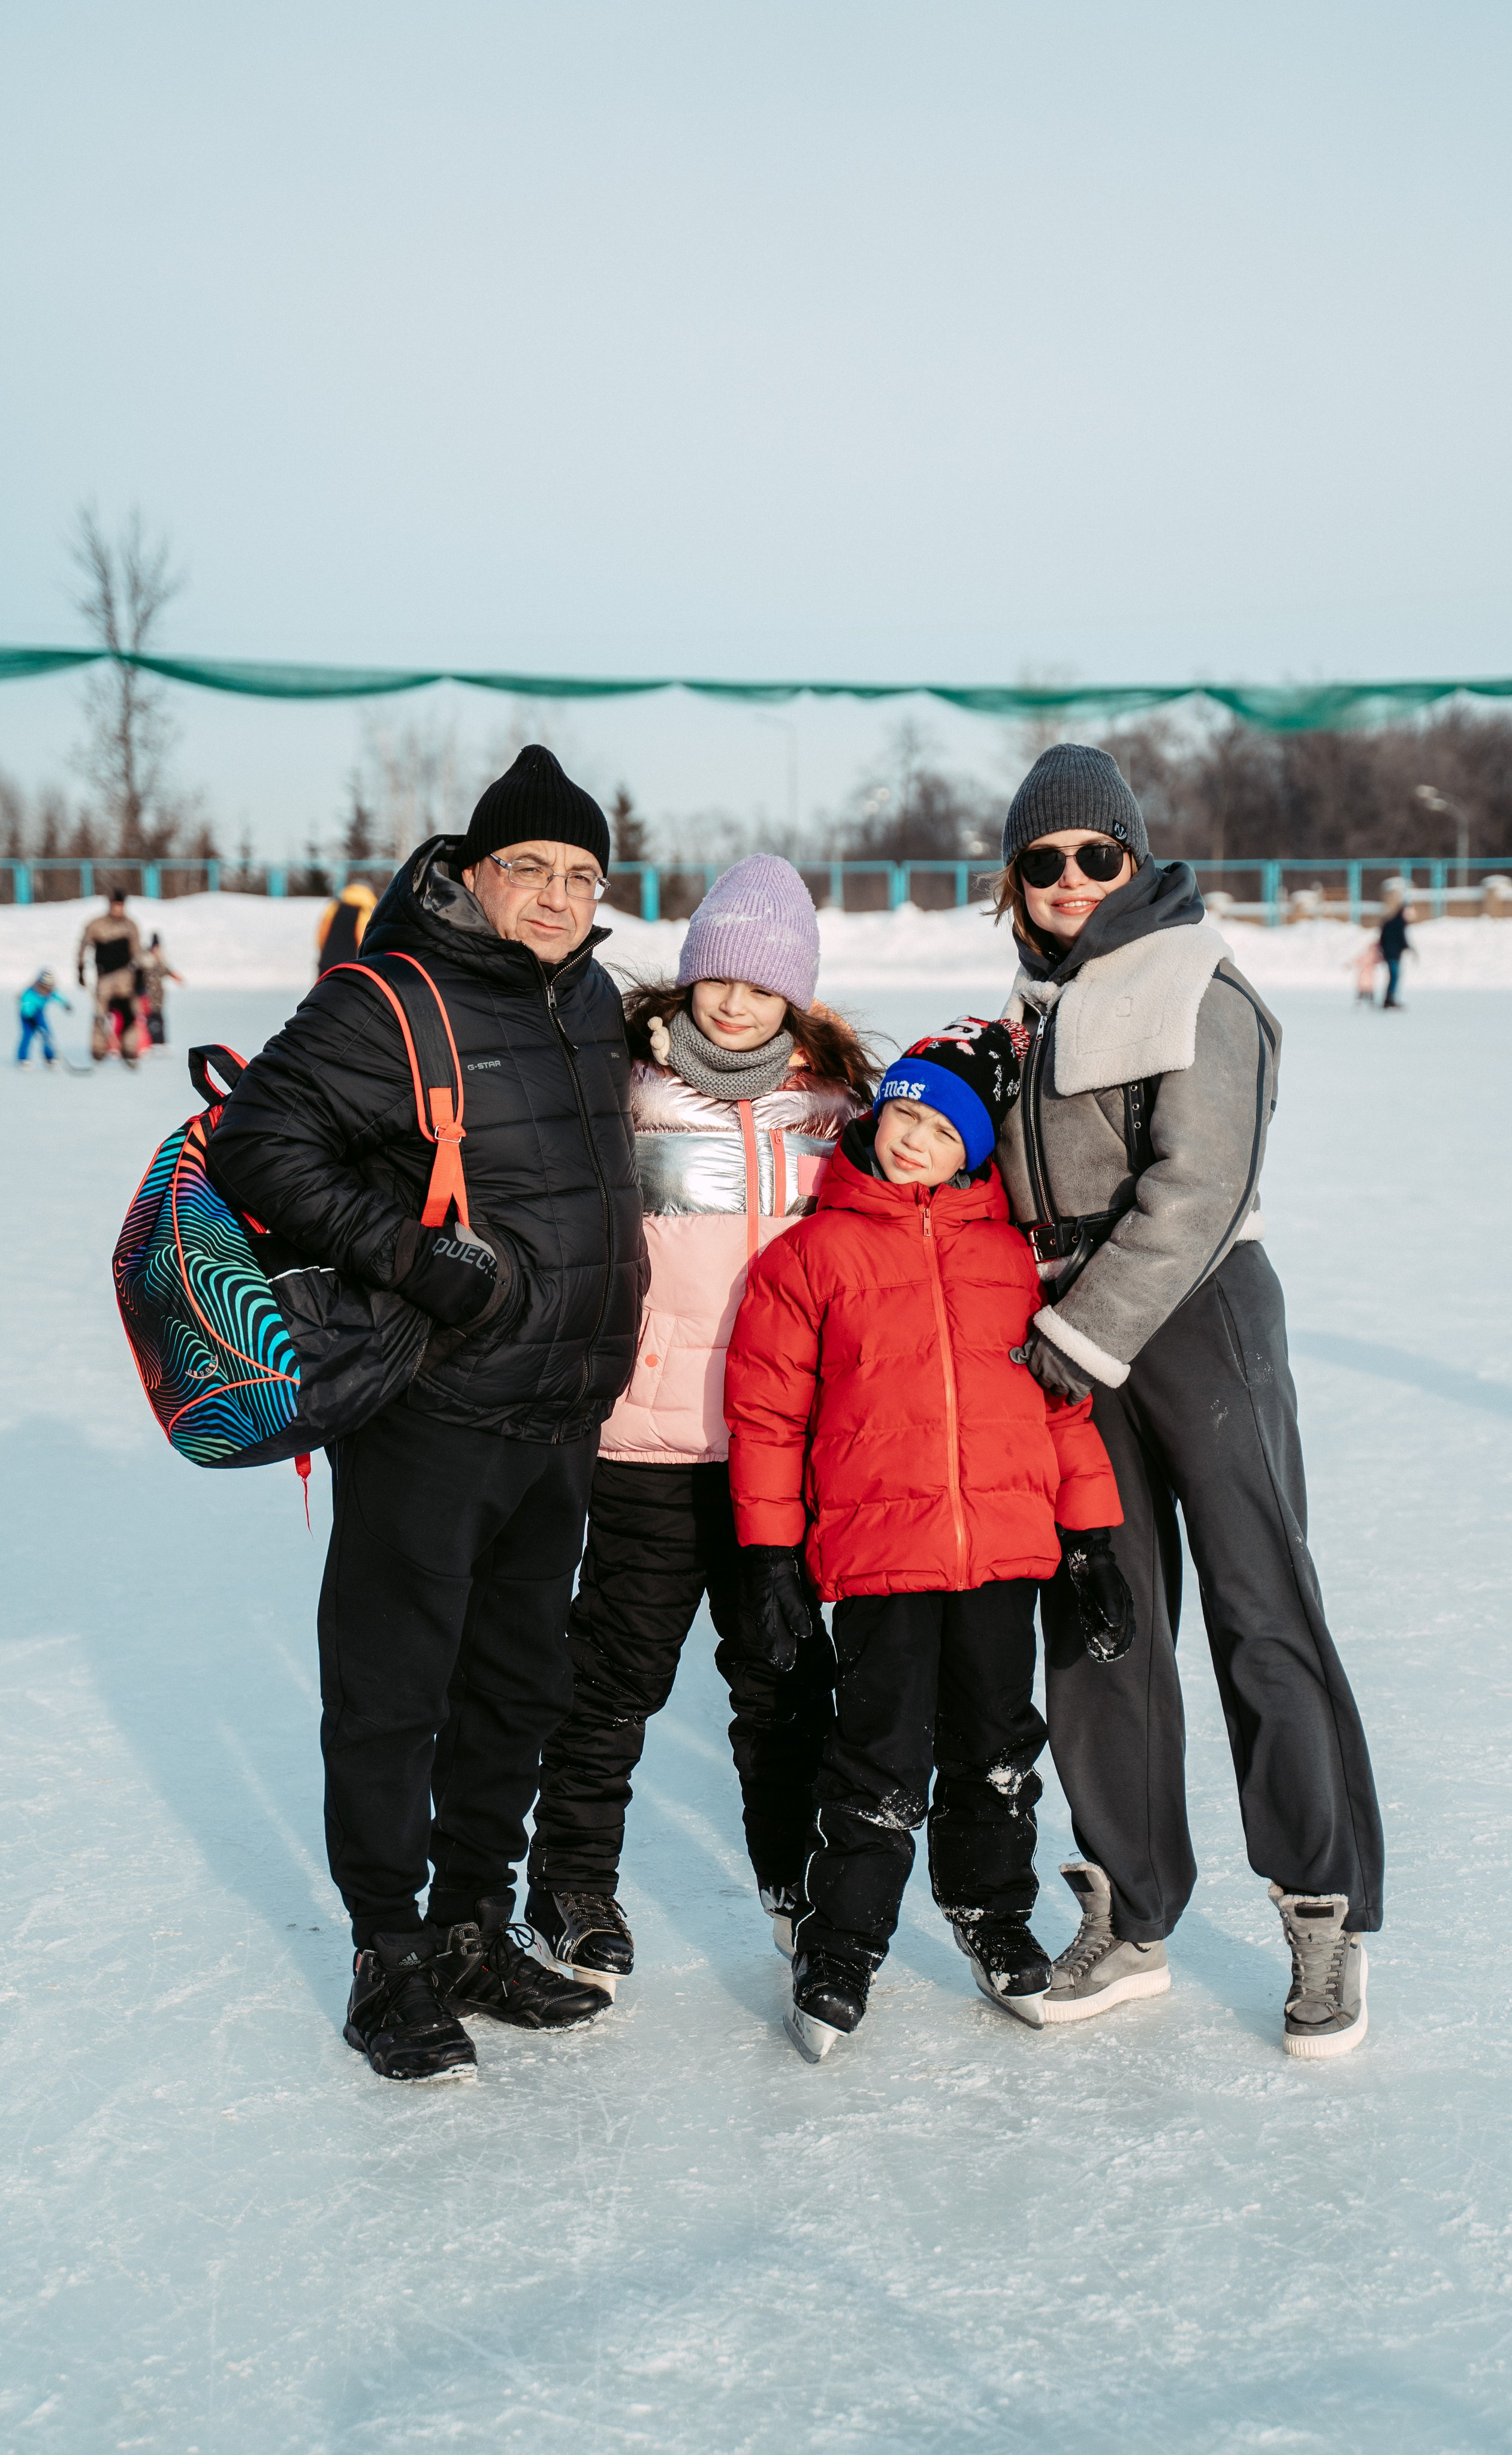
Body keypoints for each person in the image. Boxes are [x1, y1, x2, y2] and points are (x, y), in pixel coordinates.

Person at [208, 745, 646, 2083]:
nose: (562, 896)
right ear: (470, 871)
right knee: (395, 1687)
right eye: (534, 869)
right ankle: (389, 1949)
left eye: (584, 875)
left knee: (518, 1681)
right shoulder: (385, 997)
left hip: (560, 1406)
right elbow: (256, 1143)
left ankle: (469, 1922)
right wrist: (413, 1254)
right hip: (434, 1407)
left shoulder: (592, 999)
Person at [994, 743, 1383, 2059]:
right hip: (1070, 1338)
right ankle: (1131, 1907)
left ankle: (1318, 1907)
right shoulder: (1033, 997)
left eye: (1091, 854)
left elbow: (1197, 1184)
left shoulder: (1191, 976)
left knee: (1256, 1608)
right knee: (1101, 1615)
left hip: (1194, 1314)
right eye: (1040, 859)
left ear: (1132, 855)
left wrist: (1077, 1333)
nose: (1064, 879)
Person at [725, 1021, 1125, 2061]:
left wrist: (1090, 1537)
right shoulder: (809, 1254)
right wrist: (769, 1553)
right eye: (903, 1115)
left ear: (976, 1153)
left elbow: (1061, 1412)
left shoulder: (1009, 1259)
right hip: (879, 1554)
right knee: (877, 1756)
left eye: (943, 1131)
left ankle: (992, 1913)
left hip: (1002, 1547)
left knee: (995, 1746)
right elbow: (767, 1417)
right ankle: (842, 1941)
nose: (915, 1140)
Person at [526, 857, 873, 1992]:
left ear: (795, 999)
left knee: (779, 1677)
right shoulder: (625, 1088)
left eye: (759, 986)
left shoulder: (834, 1111)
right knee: (615, 1673)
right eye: (716, 976)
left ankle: (791, 1880)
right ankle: (570, 1883)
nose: (733, 1002)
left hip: (784, 1451)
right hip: (647, 1437)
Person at [77, 892, 145, 1063]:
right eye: (114, 904)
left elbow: (137, 951)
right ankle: (98, 1049)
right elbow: (83, 946)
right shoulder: (97, 925)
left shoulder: (130, 925)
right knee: (101, 1013)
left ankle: (129, 1048)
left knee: (129, 1012)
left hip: (125, 976)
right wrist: (80, 969)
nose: (117, 908)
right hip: (104, 976)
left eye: (120, 905)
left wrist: (139, 975)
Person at [316, 877, 379, 976]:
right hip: (351, 966)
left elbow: (322, 933)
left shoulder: (334, 907)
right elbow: (363, 939)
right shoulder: (365, 911)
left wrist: (325, 953)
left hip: (328, 962)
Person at [16, 970, 71, 1067]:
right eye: (46, 986)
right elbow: (25, 1004)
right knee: (27, 1036)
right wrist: (30, 1015)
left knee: (47, 1035)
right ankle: (22, 1058)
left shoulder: (50, 991)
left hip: (39, 1014)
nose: (48, 989)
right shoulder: (31, 992)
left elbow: (57, 996)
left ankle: (50, 1057)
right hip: (28, 1017)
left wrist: (65, 1004)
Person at [138, 933, 184, 1046]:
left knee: (158, 1020)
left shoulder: (160, 962)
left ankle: (159, 1043)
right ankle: (152, 1043)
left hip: (158, 999)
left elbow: (167, 971)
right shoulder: (147, 961)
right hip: (147, 998)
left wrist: (176, 977)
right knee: (151, 1021)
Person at [1378, 888, 1413, 1009]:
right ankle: (1389, 999)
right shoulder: (1398, 922)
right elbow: (1401, 938)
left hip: (1390, 952)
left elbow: (1382, 938)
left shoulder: (1390, 922)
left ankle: (1389, 999)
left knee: (1393, 976)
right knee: (1395, 976)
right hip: (1393, 953)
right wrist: (1408, 947)